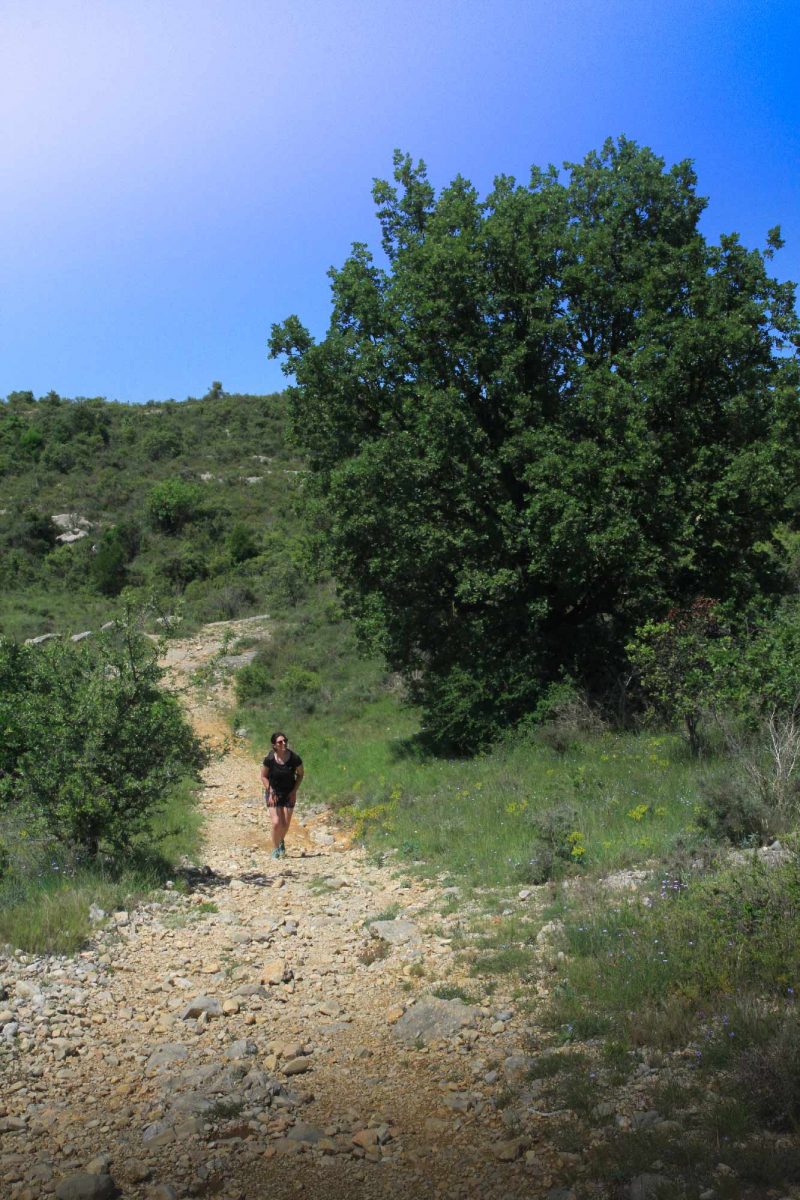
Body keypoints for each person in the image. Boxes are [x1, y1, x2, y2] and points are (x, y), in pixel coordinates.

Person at [260, 731, 304, 859]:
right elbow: (263, 776)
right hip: (273, 792)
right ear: (274, 745)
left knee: (285, 824)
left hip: (289, 792)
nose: (283, 743)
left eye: (285, 740)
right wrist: (270, 790)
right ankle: (275, 849)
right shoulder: (269, 759)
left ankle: (281, 842)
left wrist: (294, 791)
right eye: (280, 742)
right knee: (276, 822)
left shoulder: (294, 758)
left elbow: (300, 774)